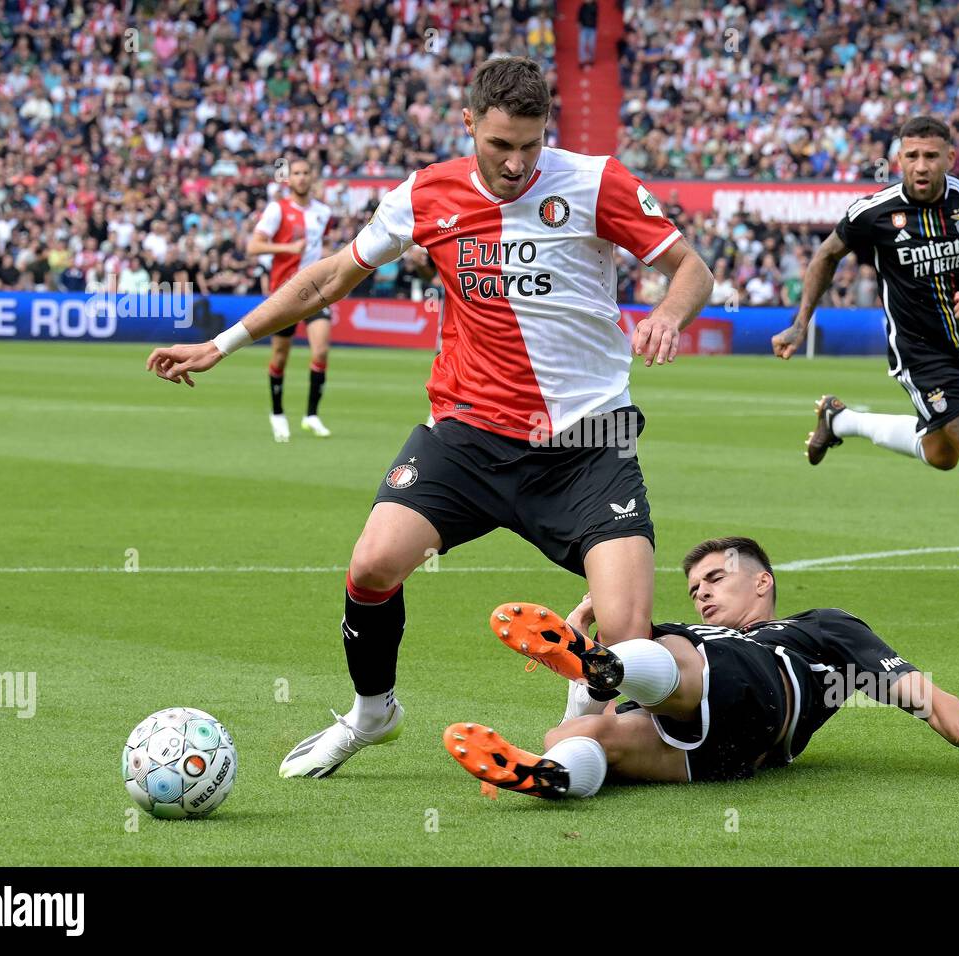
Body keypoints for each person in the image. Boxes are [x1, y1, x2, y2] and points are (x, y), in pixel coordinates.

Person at [146, 56, 713, 779]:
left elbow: (691, 268)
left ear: (549, 133)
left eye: (530, 146)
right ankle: (372, 711)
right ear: (469, 123)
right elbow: (328, 278)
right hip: (469, 435)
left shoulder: (597, 181)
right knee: (373, 564)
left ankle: (592, 707)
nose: (514, 164)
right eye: (499, 145)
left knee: (628, 636)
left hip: (588, 443)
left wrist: (668, 314)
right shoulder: (424, 195)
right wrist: (221, 343)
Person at [444, 536, 959, 799]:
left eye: (715, 579)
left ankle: (599, 660)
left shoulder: (820, 626)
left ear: (762, 581)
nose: (701, 593)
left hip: (764, 690)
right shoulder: (702, 635)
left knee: (678, 647)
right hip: (724, 759)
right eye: (694, 585)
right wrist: (585, 684)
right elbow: (603, 712)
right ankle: (552, 776)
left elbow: (917, 690)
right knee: (577, 735)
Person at [770, 115, 959, 600]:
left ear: (950, 159)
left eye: (931, 156)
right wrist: (800, 321)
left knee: (942, 455)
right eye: (911, 155)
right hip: (916, 352)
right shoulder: (872, 212)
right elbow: (825, 257)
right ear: (899, 159)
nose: (920, 165)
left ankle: (840, 420)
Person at [246, 157, 335, 441]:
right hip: (284, 293)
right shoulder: (277, 209)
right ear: (289, 178)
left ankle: (311, 416)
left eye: (305, 172)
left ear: (312, 176)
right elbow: (253, 246)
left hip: (315, 291)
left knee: (320, 351)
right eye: (296, 173)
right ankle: (277, 414)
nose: (301, 177)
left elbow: (325, 245)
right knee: (280, 357)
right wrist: (287, 247)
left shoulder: (323, 212)